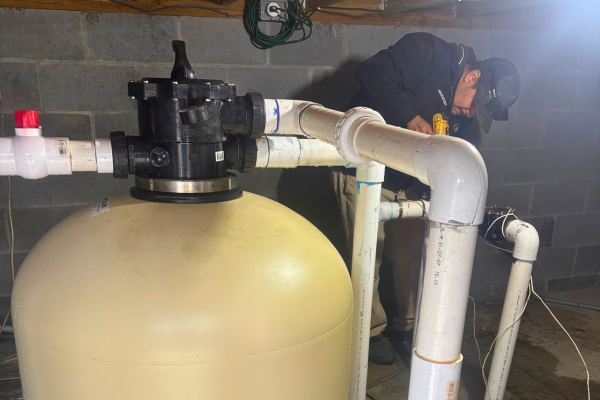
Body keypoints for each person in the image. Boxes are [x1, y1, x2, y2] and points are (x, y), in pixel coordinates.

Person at [331, 32, 521, 365]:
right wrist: (410, 117)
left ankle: (405, 327)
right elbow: (371, 72)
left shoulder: (463, 114)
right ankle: (369, 332)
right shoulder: (430, 53)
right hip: (361, 168)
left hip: (408, 180)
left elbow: (465, 157)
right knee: (366, 258)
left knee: (410, 258)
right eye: (473, 105)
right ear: (472, 77)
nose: (468, 114)